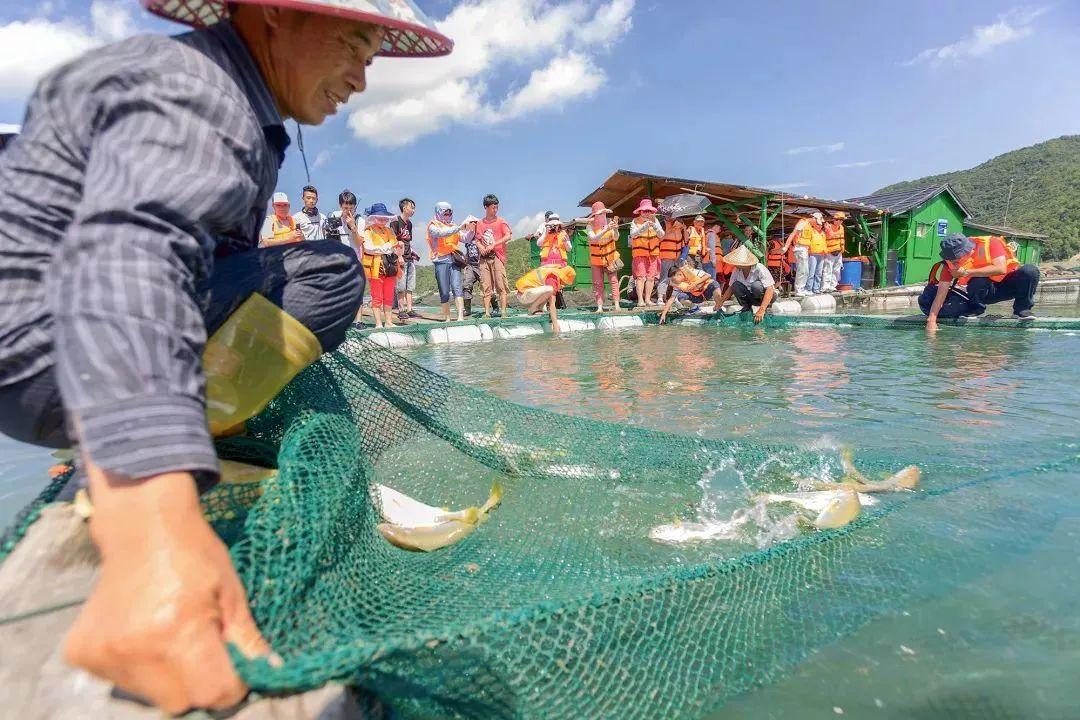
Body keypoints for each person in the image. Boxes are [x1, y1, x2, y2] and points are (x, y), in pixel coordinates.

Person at [0, 0, 450, 712]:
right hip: (55, 349)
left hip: (36, 365)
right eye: (357, 45)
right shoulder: (201, 90)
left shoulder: (213, 89)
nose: (363, 78)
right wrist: (153, 529)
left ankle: (155, 429)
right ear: (275, 14)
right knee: (329, 274)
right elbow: (129, 257)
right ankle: (166, 440)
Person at [920, 233, 1040, 331]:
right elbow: (941, 294)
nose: (954, 262)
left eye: (957, 259)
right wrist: (931, 320)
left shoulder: (991, 243)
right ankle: (975, 309)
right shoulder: (949, 264)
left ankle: (1022, 309)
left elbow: (1001, 268)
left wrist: (967, 272)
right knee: (978, 279)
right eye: (951, 259)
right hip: (984, 292)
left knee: (1030, 270)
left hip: (1008, 286)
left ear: (968, 251)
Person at [360, 203, 400, 329]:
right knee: (376, 296)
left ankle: (388, 322)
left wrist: (385, 248)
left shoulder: (389, 230)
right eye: (379, 217)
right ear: (373, 217)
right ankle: (378, 323)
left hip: (391, 267)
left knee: (388, 295)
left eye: (384, 218)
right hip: (375, 268)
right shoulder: (368, 230)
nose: (383, 220)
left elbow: (395, 244)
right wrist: (387, 247)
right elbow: (368, 248)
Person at [716, 245, 776, 324]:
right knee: (735, 285)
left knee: (756, 286)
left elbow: (770, 289)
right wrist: (721, 301)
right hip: (750, 297)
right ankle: (746, 308)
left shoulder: (759, 268)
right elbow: (731, 287)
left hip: (765, 297)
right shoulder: (737, 270)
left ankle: (765, 308)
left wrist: (762, 309)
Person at [427, 201, 466, 322]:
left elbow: (464, 238)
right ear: (439, 212)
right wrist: (458, 228)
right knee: (444, 291)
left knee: (457, 287)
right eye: (445, 213)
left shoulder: (454, 226)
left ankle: (460, 317)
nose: (448, 215)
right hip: (440, 260)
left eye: (450, 213)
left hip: (454, 260)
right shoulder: (432, 226)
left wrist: (472, 229)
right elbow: (440, 233)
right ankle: (447, 318)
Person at [476, 194, 512, 318]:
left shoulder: (501, 221)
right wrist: (481, 247)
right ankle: (486, 313)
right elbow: (477, 239)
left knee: (500, 284)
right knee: (486, 285)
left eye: (496, 207)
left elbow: (508, 236)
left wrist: (494, 244)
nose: (495, 210)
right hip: (484, 258)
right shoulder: (480, 223)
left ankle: (503, 312)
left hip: (497, 255)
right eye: (492, 207)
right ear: (486, 207)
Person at [658, 260, 724, 324]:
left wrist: (695, 283)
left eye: (674, 279)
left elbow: (708, 275)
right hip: (697, 297)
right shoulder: (678, 284)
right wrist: (664, 314)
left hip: (707, 291)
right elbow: (671, 300)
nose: (674, 282)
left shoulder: (692, 271)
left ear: (680, 274)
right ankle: (695, 308)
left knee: (714, 284)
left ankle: (719, 307)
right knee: (681, 296)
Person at [515, 265, 576, 334]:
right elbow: (552, 304)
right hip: (523, 295)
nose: (565, 284)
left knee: (549, 292)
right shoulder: (552, 278)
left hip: (529, 294)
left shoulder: (554, 272)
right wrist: (555, 325)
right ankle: (533, 309)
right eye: (566, 282)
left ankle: (537, 308)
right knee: (549, 290)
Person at [586, 201, 621, 312]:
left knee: (614, 282)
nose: (602, 216)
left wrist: (615, 229)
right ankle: (600, 307)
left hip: (610, 259)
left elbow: (616, 238)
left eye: (603, 213)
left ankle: (617, 305)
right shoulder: (589, 226)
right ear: (595, 215)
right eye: (600, 214)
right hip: (596, 261)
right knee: (598, 284)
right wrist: (605, 229)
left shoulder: (610, 222)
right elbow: (594, 238)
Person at [782, 210, 825, 296]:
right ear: (814, 218)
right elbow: (793, 234)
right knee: (802, 270)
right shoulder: (802, 223)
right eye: (817, 222)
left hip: (804, 249)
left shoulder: (809, 225)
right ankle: (799, 289)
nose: (818, 224)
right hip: (799, 248)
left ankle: (802, 288)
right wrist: (786, 247)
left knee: (806, 270)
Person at [629, 198, 663, 307]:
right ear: (640, 211)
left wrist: (655, 227)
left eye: (649, 211)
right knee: (640, 277)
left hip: (653, 254)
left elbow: (662, 235)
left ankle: (648, 300)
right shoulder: (635, 221)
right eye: (645, 211)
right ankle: (640, 300)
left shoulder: (655, 221)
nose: (647, 213)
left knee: (651, 277)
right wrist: (644, 227)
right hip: (640, 254)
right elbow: (633, 235)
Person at [390, 198, 418, 319]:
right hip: (400, 258)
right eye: (411, 207)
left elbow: (408, 241)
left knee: (410, 285)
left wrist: (412, 252)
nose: (413, 210)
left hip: (409, 257)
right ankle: (401, 309)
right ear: (404, 207)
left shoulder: (409, 224)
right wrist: (399, 256)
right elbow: (394, 241)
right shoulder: (395, 222)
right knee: (401, 285)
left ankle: (410, 309)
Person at [656, 212, 686, 300]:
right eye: (668, 215)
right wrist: (669, 231)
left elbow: (685, 242)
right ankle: (660, 297)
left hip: (678, 257)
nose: (670, 217)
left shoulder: (680, 225)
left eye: (672, 215)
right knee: (664, 277)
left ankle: (674, 298)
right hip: (666, 256)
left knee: (677, 279)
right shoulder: (661, 224)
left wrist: (684, 229)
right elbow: (658, 239)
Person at [460, 215, 483, 317]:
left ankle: (495, 307)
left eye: (473, 223)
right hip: (470, 265)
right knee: (466, 285)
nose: (471, 225)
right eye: (470, 223)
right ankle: (467, 310)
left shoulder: (481, 235)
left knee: (486, 286)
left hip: (481, 265)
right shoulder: (467, 237)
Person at [820, 212, 845, 293]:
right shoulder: (828, 226)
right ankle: (825, 287)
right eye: (838, 220)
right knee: (828, 269)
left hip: (838, 252)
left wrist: (842, 249)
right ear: (834, 219)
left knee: (837, 270)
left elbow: (842, 238)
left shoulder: (841, 227)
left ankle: (832, 286)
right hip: (829, 252)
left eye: (841, 220)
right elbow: (827, 236)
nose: (840, 221)